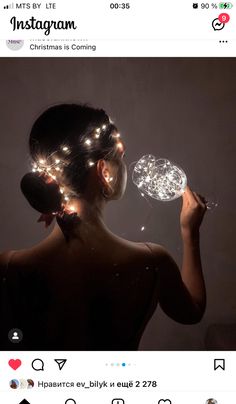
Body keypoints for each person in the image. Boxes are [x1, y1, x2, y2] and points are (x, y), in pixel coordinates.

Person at [0, 104, 207, 350]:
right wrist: (190, 233)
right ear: (104, 171)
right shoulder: (153, 262)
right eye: (121, 158)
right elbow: (192, 311)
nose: (125, 165)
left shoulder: (9, 268)